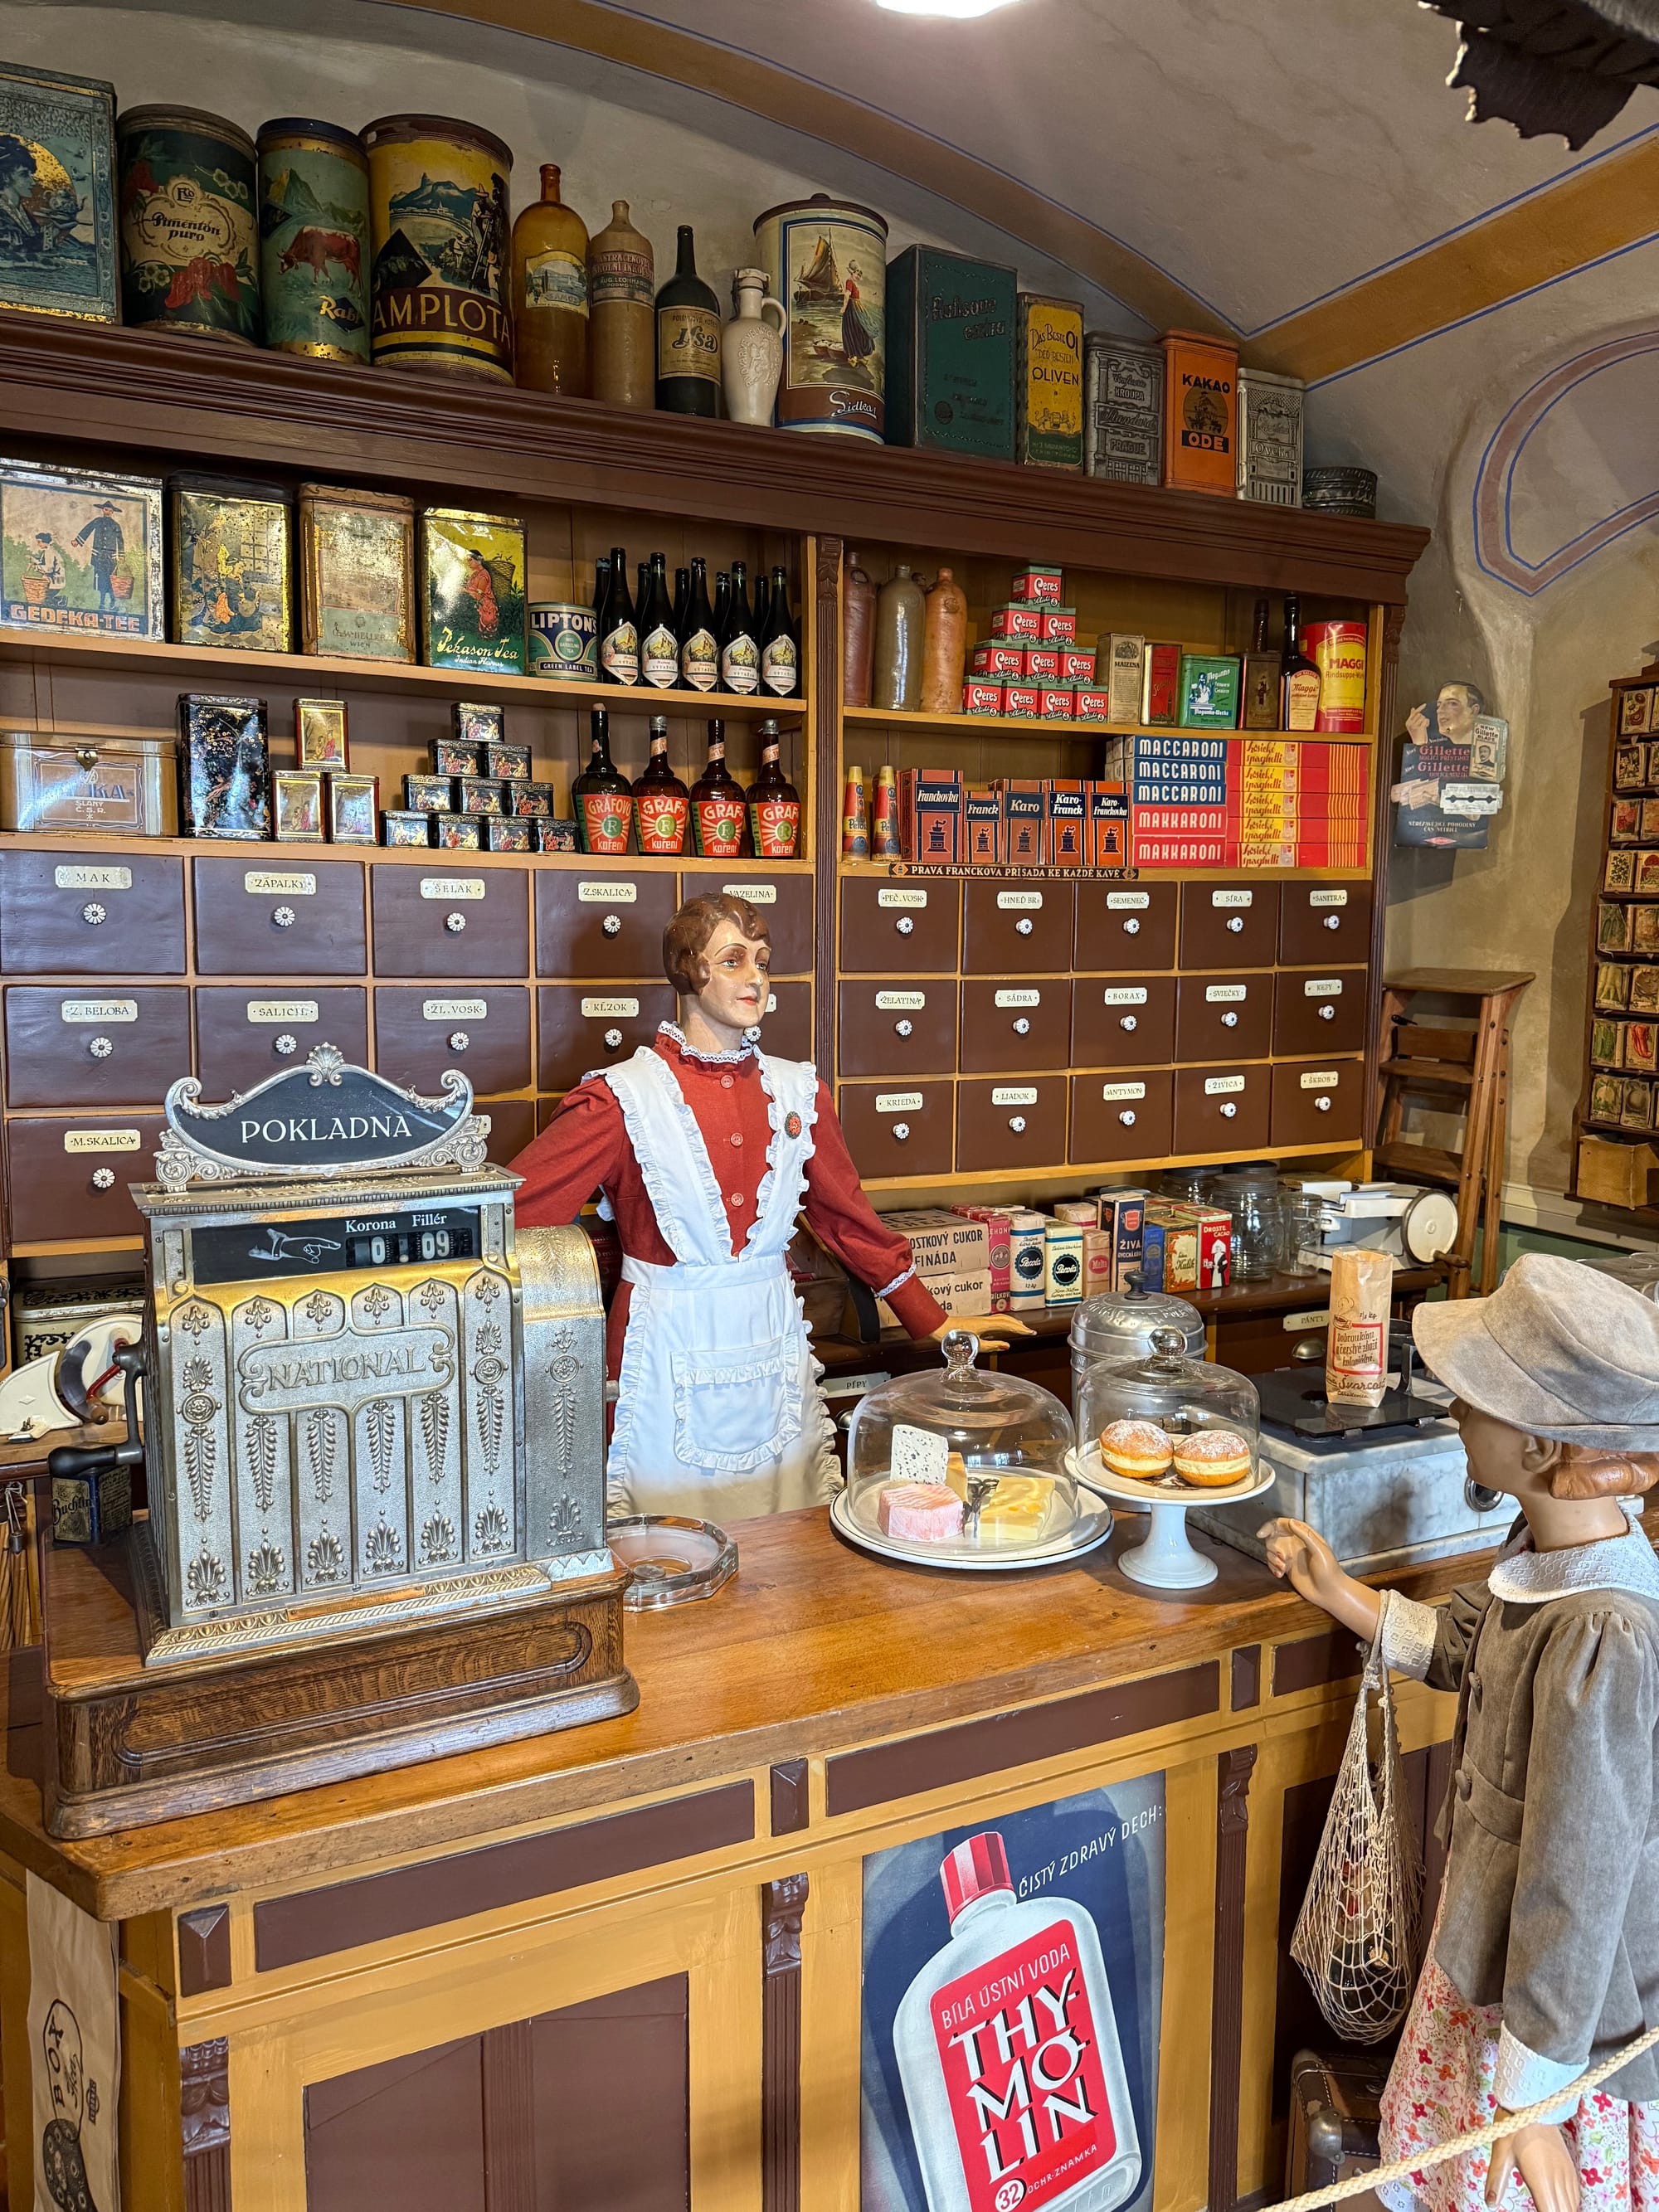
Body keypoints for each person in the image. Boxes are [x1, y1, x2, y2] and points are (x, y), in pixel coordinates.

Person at [1262, 1254, 1659, 2212]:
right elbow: (1463, 1648)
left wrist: (1532, 2102)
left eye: (1474, 1402)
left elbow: (1576, 1874)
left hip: (1554, 2007)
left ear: (1538, 1444)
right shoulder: (1548, 1548)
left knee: (1491, 2183)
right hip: (1494, 1946)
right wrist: (1338, 1592)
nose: (1452, 1413)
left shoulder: (1600, 1632)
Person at [511, 892, 1029, 1524]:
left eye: (762, 960)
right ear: (689, 969)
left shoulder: (798, 1091)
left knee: (788, 1534)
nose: (755, 976)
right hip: (662, 1342)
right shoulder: (620, 1099)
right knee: (661, 1537)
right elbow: (516, 1213)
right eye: (733, 959)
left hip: (772, 1336)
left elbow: (846, 1218)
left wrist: (932, 1320)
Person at [72, 499, 123, 614]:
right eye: (106, 509)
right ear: (103, 510)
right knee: (101, 580)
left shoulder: (116, 525)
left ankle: (113, 603)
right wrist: (77, 541)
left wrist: (121, 555)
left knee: (112, 581)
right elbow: (87, 530)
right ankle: (102, 603)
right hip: (98, 557)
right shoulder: (97, 521)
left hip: (111, 558)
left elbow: (120, 541)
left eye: (110, 510)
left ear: (112, 512)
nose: (108, 512)